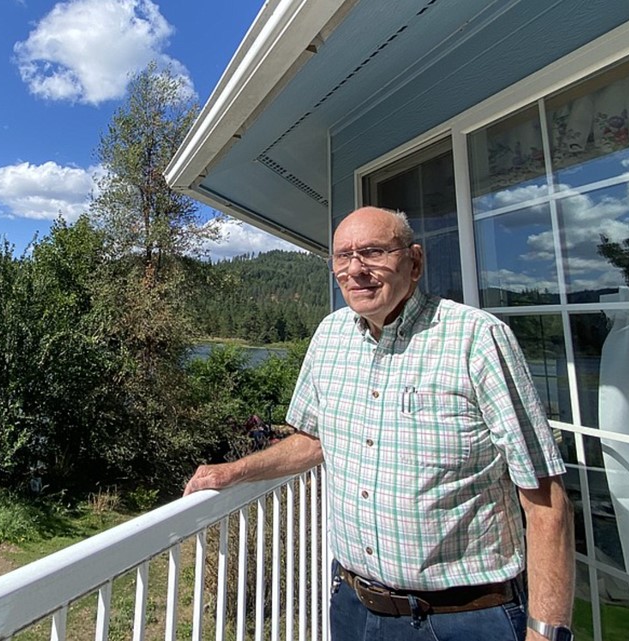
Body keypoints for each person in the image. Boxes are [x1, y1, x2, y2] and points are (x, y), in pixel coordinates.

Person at [184, 207, 574, 640]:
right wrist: (232, 472)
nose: (356, 269)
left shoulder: (476, 339)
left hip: (464, 617)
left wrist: (545, 630)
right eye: (342, 256)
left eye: (372, 252)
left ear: (415, 262)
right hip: (355, 608)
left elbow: (545, 495)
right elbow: (313, 440)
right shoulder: (330, 336)